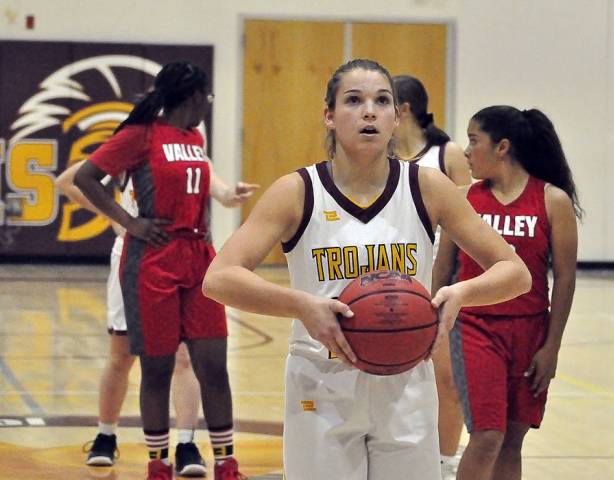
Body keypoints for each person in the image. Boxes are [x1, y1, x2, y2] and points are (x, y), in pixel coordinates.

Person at [201, 58, 531, 480]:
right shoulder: (297, 191)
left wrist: (460, 294)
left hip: (407, 378)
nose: (369, 111)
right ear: (329, 116)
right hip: (321, 378)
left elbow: (514, 272)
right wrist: (302, 304)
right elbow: (219, 278)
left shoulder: (426, 187)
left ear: (397, 117)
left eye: (382, 101)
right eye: (353, 100)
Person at [74, 61, 258, 480]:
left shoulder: (194, 137)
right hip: (153, 260)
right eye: (207, 96)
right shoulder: (140, 135)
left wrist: (228, 195)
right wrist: (130, 221)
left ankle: (226, 464)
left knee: (213, 364)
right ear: (193, 97)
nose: (209, 103)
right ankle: (158, 465)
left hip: (199, 257)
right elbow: (86, 177)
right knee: (156, 368)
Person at [433, 105, 583, 480]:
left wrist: (552, 348)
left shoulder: (551, 201)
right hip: (475, 328)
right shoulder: (464, 198)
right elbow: (442, 268)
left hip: (530, 332)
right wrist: (432, 325)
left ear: (502, 147)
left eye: (473, 140)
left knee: (512, 444)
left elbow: (564, 278)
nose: (465, 151)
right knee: (486, 437)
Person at [393, 74, 471, 478]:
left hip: (438, 283)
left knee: (447, 381)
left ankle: (444, 464)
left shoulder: (447, 155)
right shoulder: (379, 155)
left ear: (402, 109)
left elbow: (469, 224)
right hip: (392, 282)